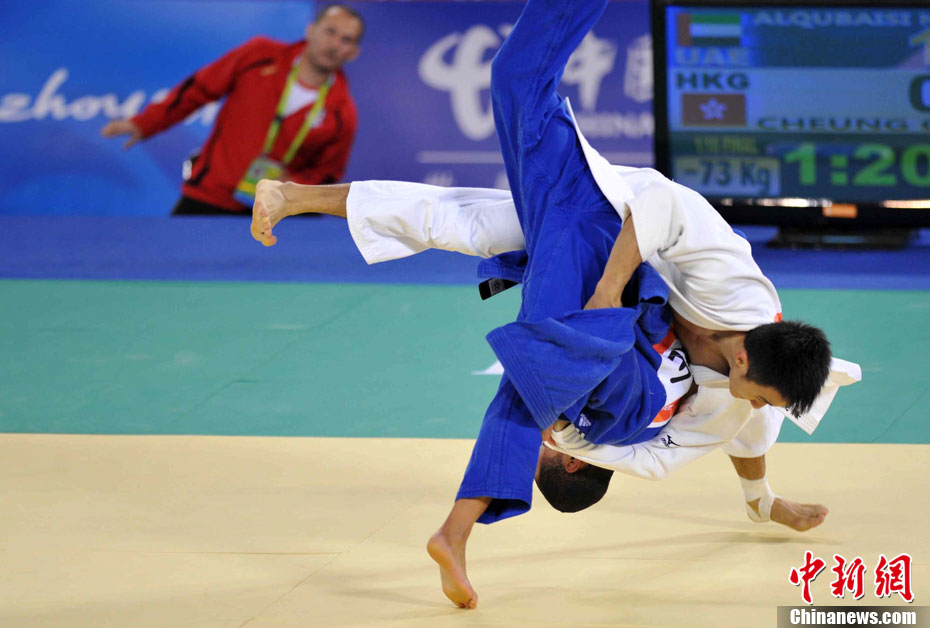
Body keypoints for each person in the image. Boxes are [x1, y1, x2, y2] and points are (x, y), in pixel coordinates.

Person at [251, 0, 860, 611]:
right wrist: (606, 293)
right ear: (747, 358)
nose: (755, 404)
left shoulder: (745, 391)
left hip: (587, 258)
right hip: (608, 214)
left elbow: (739, 433)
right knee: (513, 95)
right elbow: (661, 201)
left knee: (468, 210)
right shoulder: (736, 291)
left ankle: (291, 196)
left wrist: (761, 502)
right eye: (762, 395)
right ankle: (456, 531)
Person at [101, 4, 363, 215]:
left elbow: (327, 175)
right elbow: (197, 89)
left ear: (353, 52)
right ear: (311, 30)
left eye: (346, 40)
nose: (334, 44)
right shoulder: (258, 55)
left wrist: (294, 187)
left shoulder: (343, 114)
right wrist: (145, 123)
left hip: (272, 215)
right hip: (208, 195)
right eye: (330, 32)